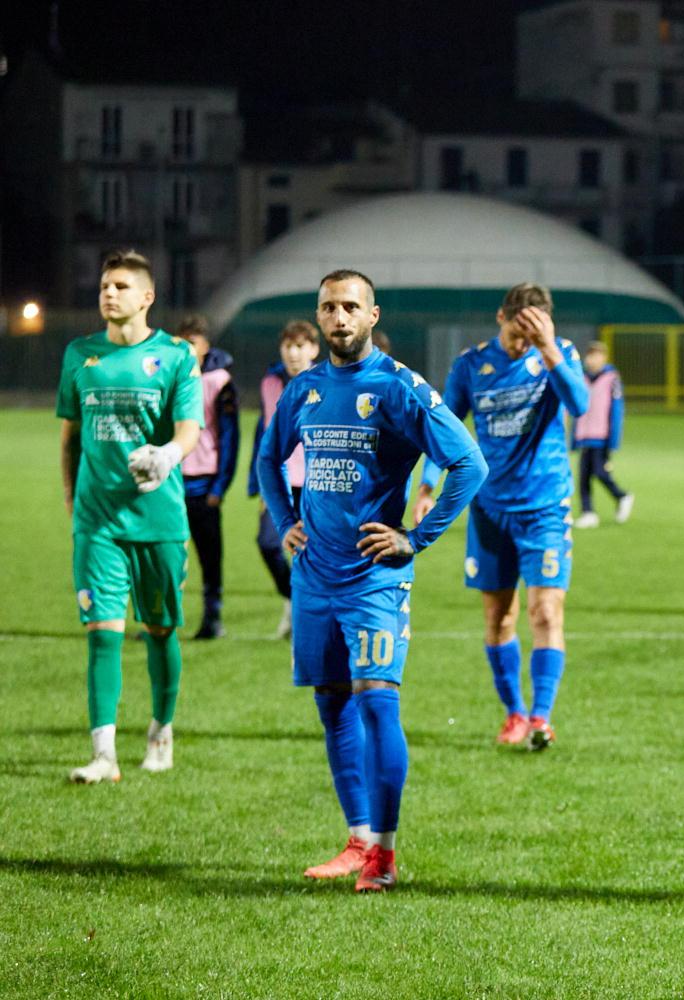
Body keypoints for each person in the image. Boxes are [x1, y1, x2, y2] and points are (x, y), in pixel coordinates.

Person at [256, 269, 486, 891]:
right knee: (332, 705)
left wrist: (416, 537)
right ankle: (358, 840)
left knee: (377, 701)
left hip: (375, 579)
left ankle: (383, 855)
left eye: (350, 306)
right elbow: (266, 459)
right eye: (329, 307)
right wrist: (285, 522)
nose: (339, 318)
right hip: (314, 575)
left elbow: (469, 462)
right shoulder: (303, 389)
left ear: (373, 315)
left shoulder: (398, 386)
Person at [412, 283, 588, 750]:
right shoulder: (472, 365)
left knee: (545, 611)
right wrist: (428, 484)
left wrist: (548, 348)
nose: (522, 342)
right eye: (517, 332)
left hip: (545, 506)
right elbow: (445, 427)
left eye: (533, 333)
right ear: (500, 318)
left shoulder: (557, 353)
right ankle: (512, 713)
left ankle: (540, 718)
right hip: (490, 510)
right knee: (500, 617)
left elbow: (580, 405)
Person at [57, 249, 202, 783]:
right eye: (103, 286)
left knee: (160, 631)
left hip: (159, 519)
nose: (108, 294)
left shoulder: (177, 356)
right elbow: (69, 435)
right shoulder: (80, 354)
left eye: (120, 286)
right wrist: (72, 497)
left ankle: (161, 730)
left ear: (146, 297)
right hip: (98, 522)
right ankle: (104, 755)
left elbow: (189, 428)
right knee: (102, 632)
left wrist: (166, 455)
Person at [246, 320, 320, 638]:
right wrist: (262, 484)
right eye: (288, 346)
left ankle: (309, 619)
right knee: (267, 543)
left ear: (314, 350)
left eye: (300, 346)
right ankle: (293, 601)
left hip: (317, 482)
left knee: (313, 553)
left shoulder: (326, 380)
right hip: (281, 479)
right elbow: (267, 434)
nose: (293, 353)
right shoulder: (271, 382)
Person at [176, 315, 238, 639]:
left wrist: (220, 485)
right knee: (168, 553)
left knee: (209, 555)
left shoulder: (218, 381)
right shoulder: (167, 377)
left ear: (205, 347)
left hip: (205, 484)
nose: (187, 350)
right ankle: (162, 618)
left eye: (193, 344)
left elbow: (230, 436)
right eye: (182, 343)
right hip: (171, 481)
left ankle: (212, 618)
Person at [572, 341, 633, 528]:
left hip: (602, 436)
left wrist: (613, 439)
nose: (592, 359)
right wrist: (574, 437)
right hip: (584, 435)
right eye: (590, 355)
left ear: (604, 357)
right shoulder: (581, 377)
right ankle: (588, 512)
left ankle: (622, 496)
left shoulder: (611, 378)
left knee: (600, 472)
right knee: (583, 476)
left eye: (597, 355)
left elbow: (616, 410)